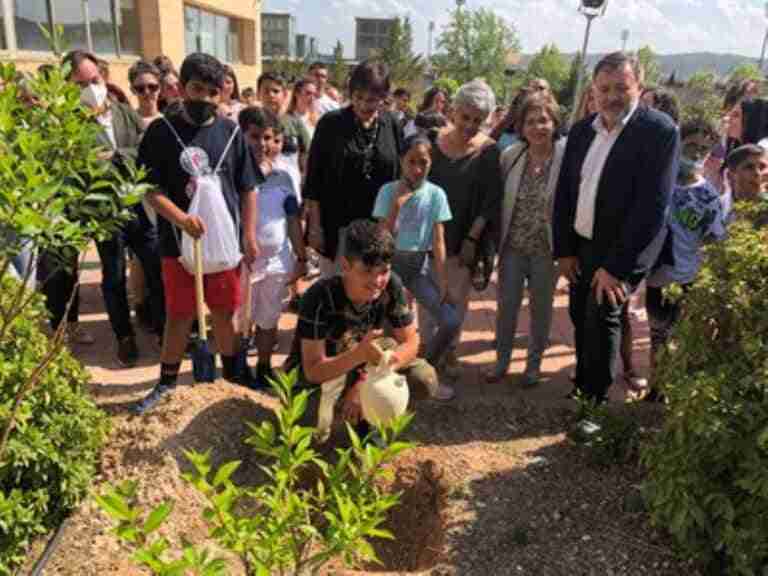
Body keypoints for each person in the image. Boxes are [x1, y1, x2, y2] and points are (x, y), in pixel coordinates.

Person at [133, 52, 261, 413]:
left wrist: (248, 236)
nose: (203, 98)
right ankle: (167, 383)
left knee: (224, 312)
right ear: (180, 88)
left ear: (221, 92)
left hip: (223, 244)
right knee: (179, 314)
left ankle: (232, 379)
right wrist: (181, 220)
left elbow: (248, 187)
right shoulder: (161, 132)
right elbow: (149, 189)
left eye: (210, 91)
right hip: (178, 245)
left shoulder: (231, 131)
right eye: (195, 88)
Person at [553, 52, 680, 404]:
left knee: (602, 319)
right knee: (580, 315)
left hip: (621, 250)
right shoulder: (582, 131)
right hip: (581, 245)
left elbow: (652, 208)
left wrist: (618, 269)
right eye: (604, 88)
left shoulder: (659, 132)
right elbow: (565, 192)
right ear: (593, 90)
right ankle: (583, 383)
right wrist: (563, 249)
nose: (611, 96)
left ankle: (595, 402)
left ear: (638, 87)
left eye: (621, 88)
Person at [284, 219, 439, 443]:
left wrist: (371, 380)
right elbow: (313, 371)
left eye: (384, 271)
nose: (377, 281)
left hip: (365, 366)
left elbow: (412, 341)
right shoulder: (319, 297)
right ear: (346, 266)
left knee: (423, 379)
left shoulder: (391, 285)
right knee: (308, 427)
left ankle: (373, 421)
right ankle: (343, 418)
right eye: (367, 271)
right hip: (317, 378)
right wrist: (360, 357)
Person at [65, 49, 166, 365]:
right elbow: (77, 168)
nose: (90, 88)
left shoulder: (124, 112)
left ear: (103, 77)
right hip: (104, 213)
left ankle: (164, 329)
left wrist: (115, 156)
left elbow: (143, 150)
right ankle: (124, 336)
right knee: (113, 279)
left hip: (136, 207)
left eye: (94, 79)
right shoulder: (71, 124)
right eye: (81, 84)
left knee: (155, 269)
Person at [644, 118, 727, 402]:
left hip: (684, 275)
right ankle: (654, 387)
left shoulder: (708, 197)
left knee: (677, 336)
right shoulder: (659, 182)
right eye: (691, 145)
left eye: (704, 149)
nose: (695, 154)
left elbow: (713, 240)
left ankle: (669, 388)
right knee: (657, 335)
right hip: (656, 274)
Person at [425, 79, 503, 376]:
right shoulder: (434, 144)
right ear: (453, 112)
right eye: (465, 117)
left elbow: (491, 200)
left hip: (465, 238)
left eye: (478, 120)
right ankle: (428, 354)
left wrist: (473, 238)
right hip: (431, 237)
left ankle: (450, 351)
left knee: (456, 300)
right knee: (429, 298)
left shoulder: (489, 151)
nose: (470, 125)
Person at [488, 93, 565, 387]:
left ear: (554, 122)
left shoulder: (565, 155)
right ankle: (502, 362)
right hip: (513, 246)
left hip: (547, 248)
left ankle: (533, 367)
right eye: (530, 122)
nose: (537, 127)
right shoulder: (512, 156)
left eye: (544, 120)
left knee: (541, 310)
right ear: (521, 127)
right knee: (506, 307)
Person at [372, 134, 458, 400]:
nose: (417, 169)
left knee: (450, 320)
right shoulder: (388, 191)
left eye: (423, 162)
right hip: (391, 266)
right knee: (391, 332)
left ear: (432, 162)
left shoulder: (436, 194)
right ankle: (387, 388)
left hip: (418, 266)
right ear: (401, 161)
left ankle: (423, 370)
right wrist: (396, 207)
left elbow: (439, 240)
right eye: (411, 162)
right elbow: (379, 238)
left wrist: (443, 283)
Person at [304, 60, 402, 278]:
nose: (364, 105)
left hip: (378, 226)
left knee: (371, 288)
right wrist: (315, 226)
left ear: (384, 96)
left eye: (372, 100)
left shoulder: (392, 125)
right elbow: (314, 178)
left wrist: (390, 225)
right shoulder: (331, 124)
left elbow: (398, 179)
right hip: (337, 226)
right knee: (337, 291)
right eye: (358, 98)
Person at [239, 107, 308, 387]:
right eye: (254, 136)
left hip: (276, 263)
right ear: (241, 137)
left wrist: (301, 257)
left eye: (268, 137)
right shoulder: (233, 175)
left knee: (268, 319)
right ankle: (238, 368)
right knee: (239, 322)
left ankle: (264, 366)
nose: (261, 144)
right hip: (242, 263)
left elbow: (292, 220)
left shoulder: (285, 177)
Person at [258, 72, 310, 202]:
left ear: (285, 94)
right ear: (259, 94)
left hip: (292, 190)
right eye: (266, 91)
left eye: (276, 91)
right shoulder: (253, 121)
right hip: (261, 191)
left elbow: (307, 158)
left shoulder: (294, 122)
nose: (271, 95)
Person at [129, 60, 163, 129]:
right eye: (140, 88)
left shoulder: (169, 123)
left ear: (159, 87)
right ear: (132, 90)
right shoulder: (127, 123)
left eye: (152, 87)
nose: (147, 92)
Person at [288, 77, 319, 143]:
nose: (312, 98)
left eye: (314, 94)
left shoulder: (317, 120)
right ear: (297, 93)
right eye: (308, 93)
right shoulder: (287, 118)